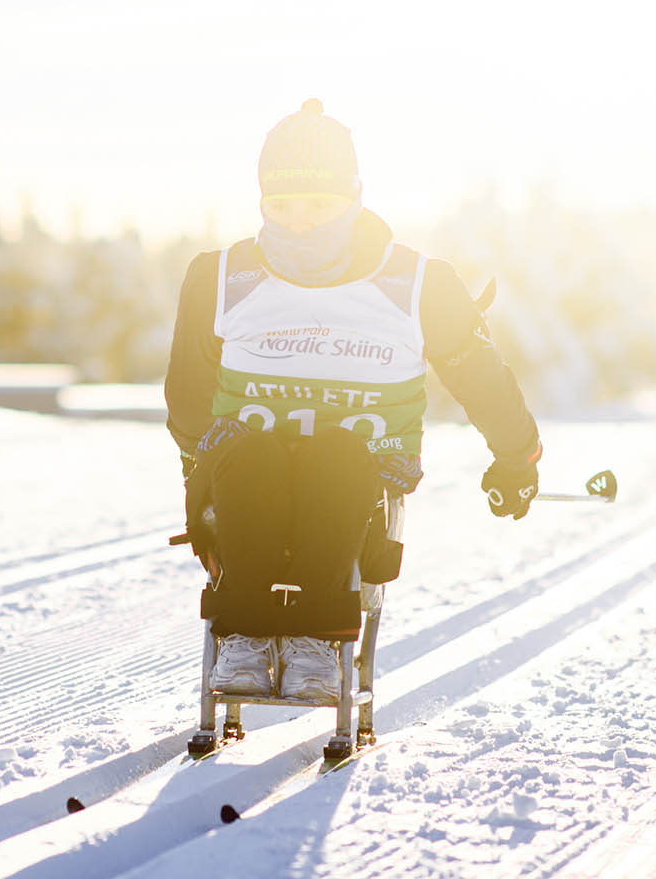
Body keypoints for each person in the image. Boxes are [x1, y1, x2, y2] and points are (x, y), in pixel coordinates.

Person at [165, 98, 544, 703]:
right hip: (244, 467)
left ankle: (318, 634)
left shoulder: (418, 283)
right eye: (282, 206)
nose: (300, 222)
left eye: (320, 204)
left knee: (336, 456)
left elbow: (479, 375)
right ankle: (244, 633)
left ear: (355, 196)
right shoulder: (220, 276)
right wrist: (196, 464)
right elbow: (187, 390)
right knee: (254, 459)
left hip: (361, 473)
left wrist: (516, 456)